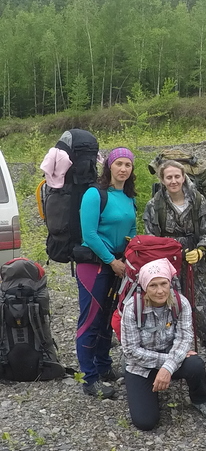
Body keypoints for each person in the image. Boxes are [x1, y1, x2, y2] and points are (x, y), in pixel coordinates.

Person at [143, 160, 206, 381]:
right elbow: (151, 239)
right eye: (168, 177)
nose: (173, 181)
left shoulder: (198, 201)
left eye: (177, 176)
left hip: (195, 265)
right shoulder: (154, 205)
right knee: (169, 307)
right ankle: (172, 355)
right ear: (162, 179)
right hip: (166, 267)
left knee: (202, 308)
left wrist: (201, 250)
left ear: (183, 177)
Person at [121, 258, 206, 430]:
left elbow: (185, 338)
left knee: (195, 363)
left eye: (163, 284)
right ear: (144, 286)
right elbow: (130, 351)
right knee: (145, 423)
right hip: (140, 365)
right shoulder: (132, 309)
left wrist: (167, 367)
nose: (160, 291)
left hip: (171, 357)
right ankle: (144, 385)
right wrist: (168, 362)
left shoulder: (181, 303)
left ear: (170, 283)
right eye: (153, 286)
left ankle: (200, 399)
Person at [76, 147, 137, 399]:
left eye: (128, 165)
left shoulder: (129, 197)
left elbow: (132, 229)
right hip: (94, 265)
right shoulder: (94, 194)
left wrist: (128, 256)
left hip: (118, 265)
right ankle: (89, 378)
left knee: (107, 319)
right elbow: (89, 233)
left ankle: (103, 366)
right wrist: (112, 260)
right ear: (109, 166)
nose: (123, 169)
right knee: (90, 320)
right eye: (119, 164)